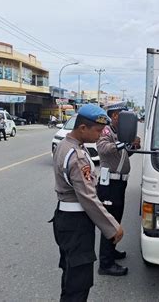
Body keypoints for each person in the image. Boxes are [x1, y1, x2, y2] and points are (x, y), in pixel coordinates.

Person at [51, 104, 124, 301]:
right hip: (76, 223)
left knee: (70, 275)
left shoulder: (66, 145)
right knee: (79, 282)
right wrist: (112, 227)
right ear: (83, 128)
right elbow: (88, 197)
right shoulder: (77, 156)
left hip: (65, 220)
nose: (100, 135)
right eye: (98, 131)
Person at [96, 104, 141, 276]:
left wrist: (133, 146)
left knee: (116, 219)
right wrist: (123, 143)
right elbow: (103, 148)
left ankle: (111, 251)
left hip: (120, 183)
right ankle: (105, 264)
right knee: (109, 222)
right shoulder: (107, 131)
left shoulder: (119, 133)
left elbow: (123, 155)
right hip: (110, 184)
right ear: (115, 116)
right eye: (123, 115)